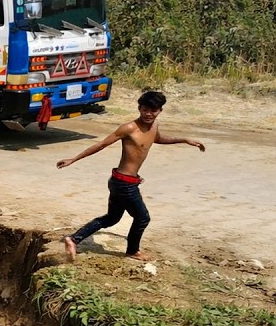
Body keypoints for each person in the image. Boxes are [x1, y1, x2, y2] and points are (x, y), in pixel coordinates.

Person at [57, 91, 205, 261]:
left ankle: (74, 239)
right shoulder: (128, 128)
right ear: (139, 109)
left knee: (112, 218)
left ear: (160, 111)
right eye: (145, 110)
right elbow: (101, 144)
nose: (149, 114)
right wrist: (74, 159)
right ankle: (133, 251)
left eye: (153, 110)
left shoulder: (154, 126)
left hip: (124, 182)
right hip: (123, 183)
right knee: (142, 218)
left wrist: (185, 139)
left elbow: (157, 139)